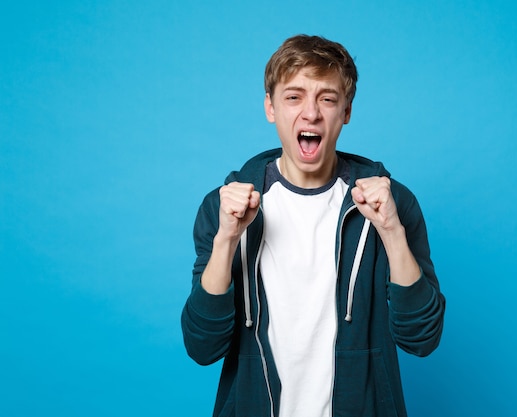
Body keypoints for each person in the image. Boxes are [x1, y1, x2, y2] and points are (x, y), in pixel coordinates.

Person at [181, 34, 445, 417]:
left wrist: (392, 231)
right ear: (270, 107)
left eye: (327, 98)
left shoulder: (390, 203)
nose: (311, 113)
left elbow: (422, 338)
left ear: (346, 111)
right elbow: (202, 347)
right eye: (294, 97)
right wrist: (226, 240)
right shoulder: (223, 208)